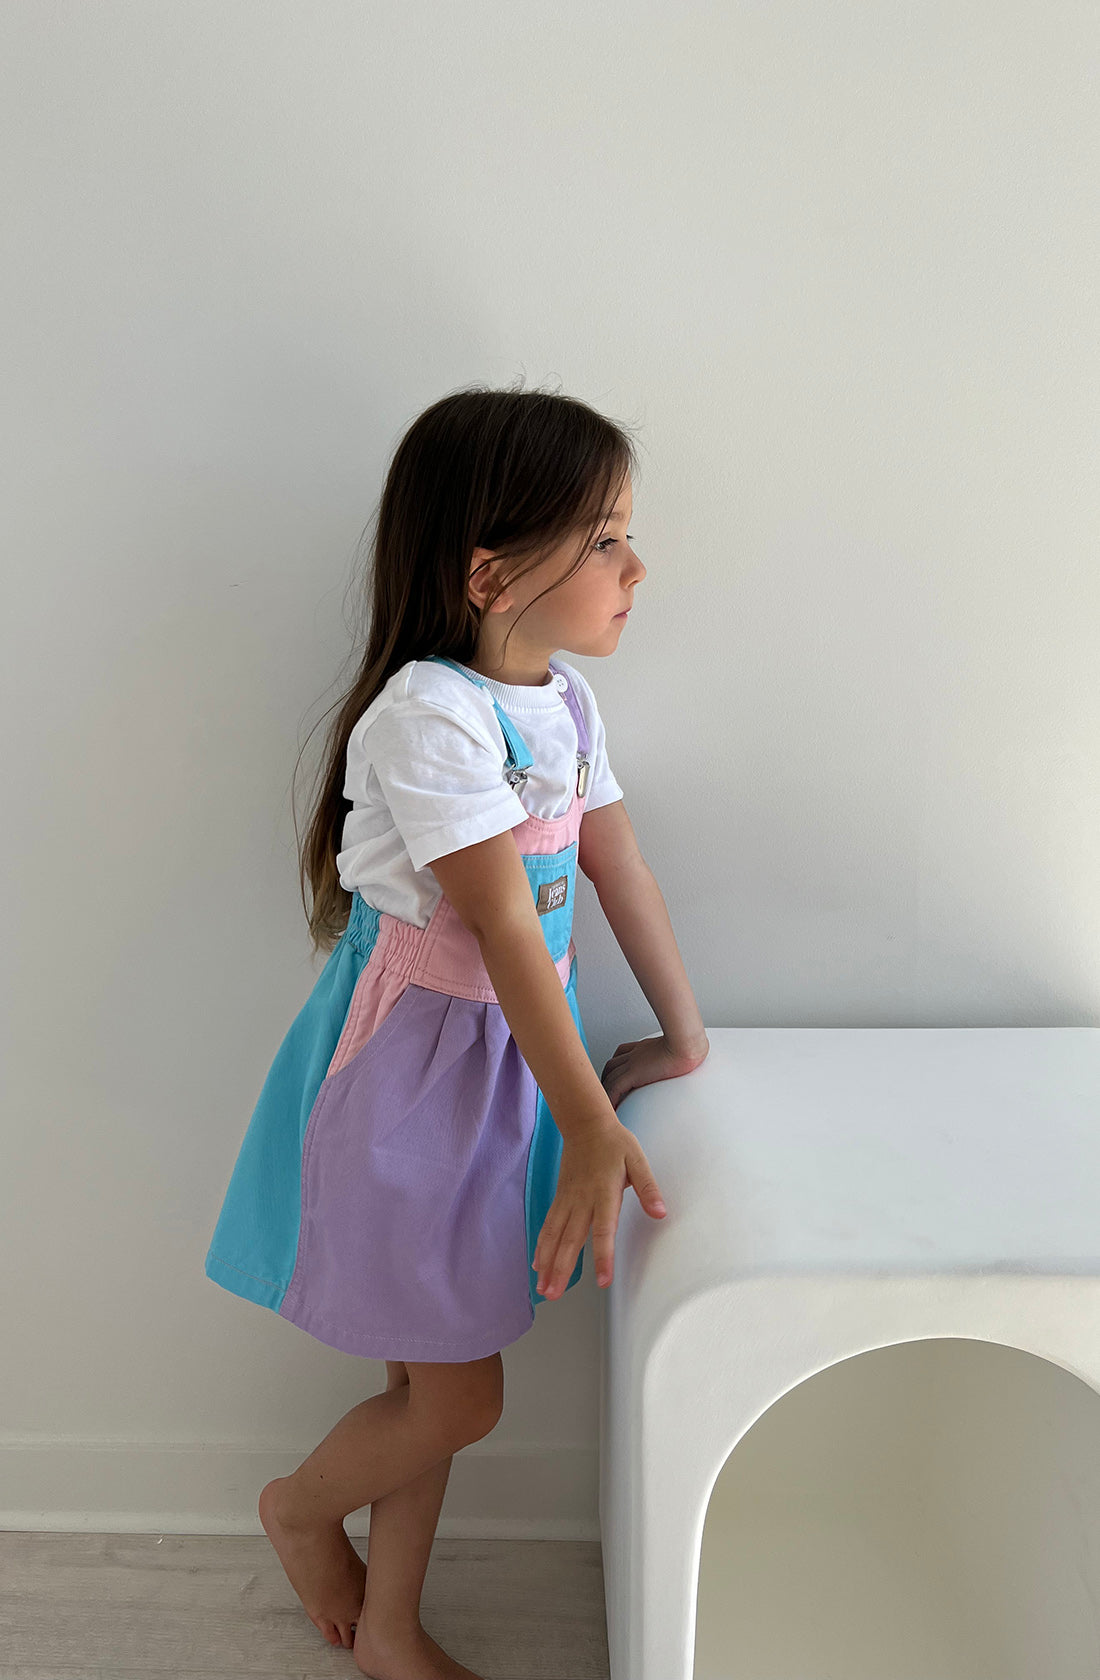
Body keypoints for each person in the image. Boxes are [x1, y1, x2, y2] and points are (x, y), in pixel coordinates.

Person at [203, 383, 709, 1679]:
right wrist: (592, 1125)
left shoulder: (569, 708)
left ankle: (386, 1628)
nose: (636, 568)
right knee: (460, 1392)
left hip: (502, 1071)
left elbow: (620, 870)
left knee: (429, 1380)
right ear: (490, 571)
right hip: (415, 1079)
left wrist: (682, 1036)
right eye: (603, 541)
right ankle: (300, 1509)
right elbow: (495, 928)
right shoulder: (429, 716)